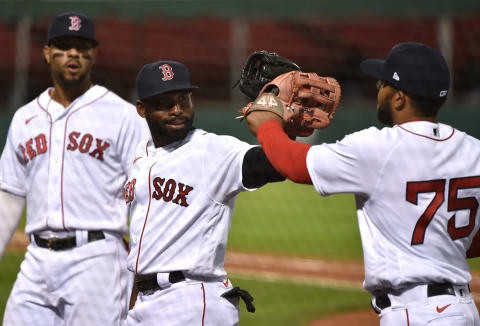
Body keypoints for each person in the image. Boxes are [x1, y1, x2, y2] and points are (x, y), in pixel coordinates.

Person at [243, 42, 480, 325]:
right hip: (462, 309)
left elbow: (296, 165)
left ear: (400, 99)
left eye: (383, 84)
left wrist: (266, 123)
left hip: (416, 314)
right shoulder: (473, 149)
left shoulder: (377, 148)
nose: (378, 90)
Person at [0, 12, 150, 325]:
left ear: (93, 54)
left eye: (82, 47)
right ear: (46, 53)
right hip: (36, 260)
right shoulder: (25, 118)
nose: (73, 54)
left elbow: (146, 195)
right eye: (64, 46)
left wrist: (142, 264)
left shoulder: (122, 116)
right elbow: (9, 197)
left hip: (96, 259)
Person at [124, 60, 284, 325]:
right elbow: (144, 250)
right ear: (142, 109)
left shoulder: (211, 150)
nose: (177, 110)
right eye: (165, 103)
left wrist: (279, 129)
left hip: (191, 300)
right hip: (146, 302)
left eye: (183, 99)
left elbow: (268, 164)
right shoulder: (139, 158)